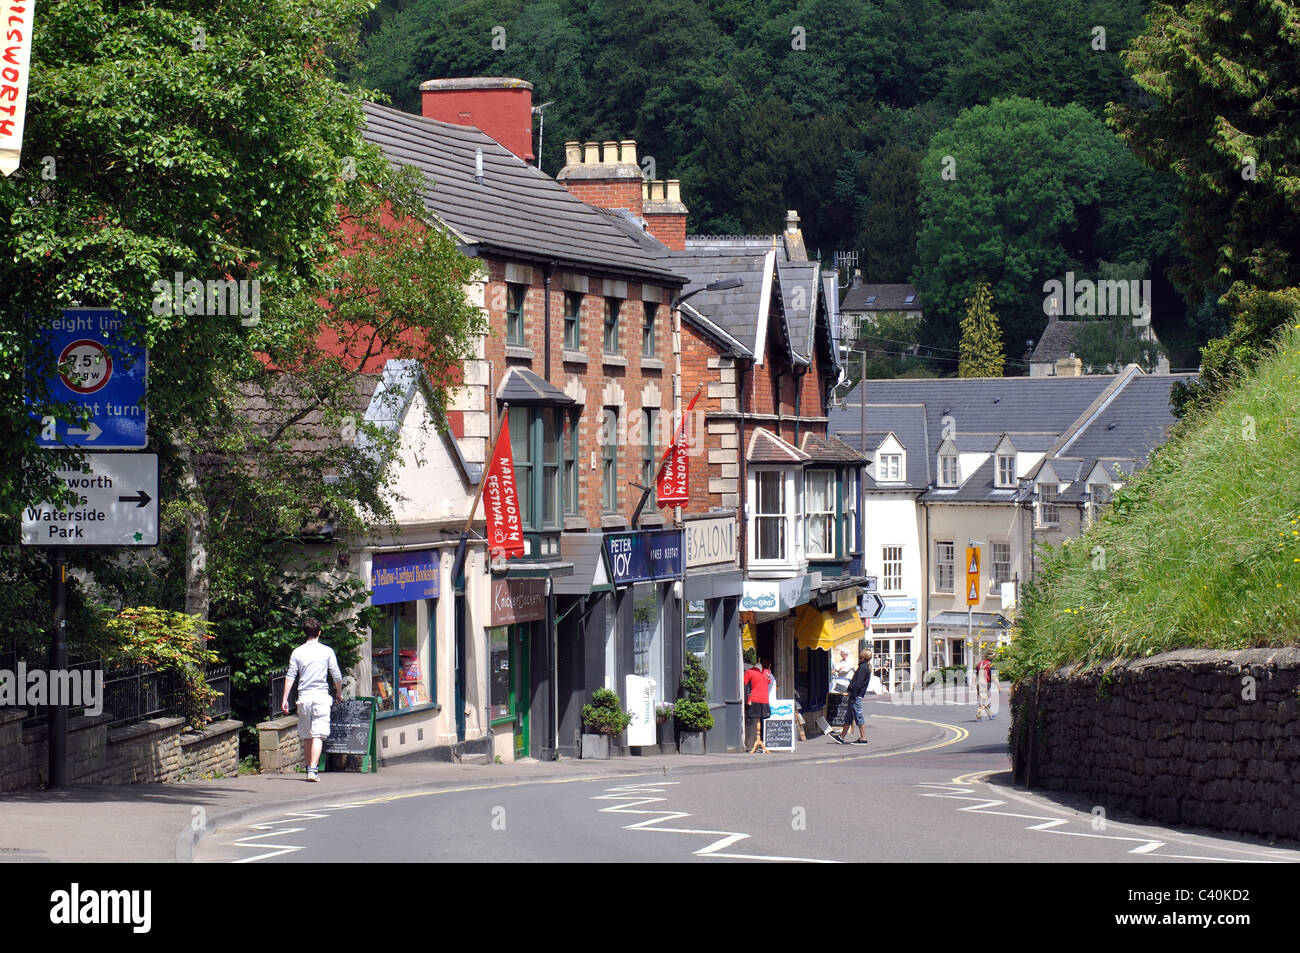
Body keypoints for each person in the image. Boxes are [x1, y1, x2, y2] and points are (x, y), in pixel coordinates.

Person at [281, 617, 345, 781]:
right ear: (319, 632)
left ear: (305, 633)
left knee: (307, 734)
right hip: (321, 697)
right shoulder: (327, 651)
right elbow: (336, 675)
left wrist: (285, 698)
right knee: (318, 734)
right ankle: (313, 770)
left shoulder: (297, 652)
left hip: (304, 698)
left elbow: (290, 676)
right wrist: (339, 692)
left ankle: (309, 768)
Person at [831, 648, 873, 745]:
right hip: (855, 695)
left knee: (858, 716)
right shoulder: (865, 667)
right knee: (849, 717)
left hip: (855, 696)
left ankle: (863, 738)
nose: (859, 656)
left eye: (861, 655)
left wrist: (853, 695)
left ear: (863, 657)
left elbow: (858, 684)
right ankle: (842, 736)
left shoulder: (863, 668)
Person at [743, 656, 771, 752]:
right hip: (754, 699)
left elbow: (768, 681)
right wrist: (748, 699)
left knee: (760, 720)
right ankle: (753, 743)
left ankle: (759, 741)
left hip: (764, 700)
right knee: (753, 721)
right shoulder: (750, 672)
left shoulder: (766, 672)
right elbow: (745, 686)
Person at [975, 651, 995, 720]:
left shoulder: (979, 663)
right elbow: (993, 676)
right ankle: (979, 714)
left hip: (978, 682)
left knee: (983, 698)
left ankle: (990, 714)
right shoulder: (990, 665)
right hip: (985, 683)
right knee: (984, 700)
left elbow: (977, 674)